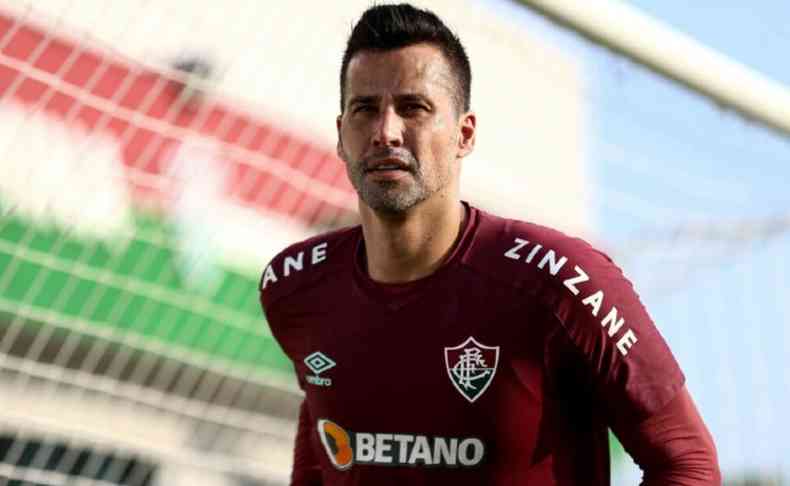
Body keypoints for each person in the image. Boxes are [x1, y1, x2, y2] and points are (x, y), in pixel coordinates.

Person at [259, 4, 721, 485]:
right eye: (365, 109)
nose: (386, 132)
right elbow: (321, 457)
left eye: (413, 108)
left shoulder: (560, 280)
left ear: (464, 134)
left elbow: (688, 463)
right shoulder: (296, 287)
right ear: (340, 135)